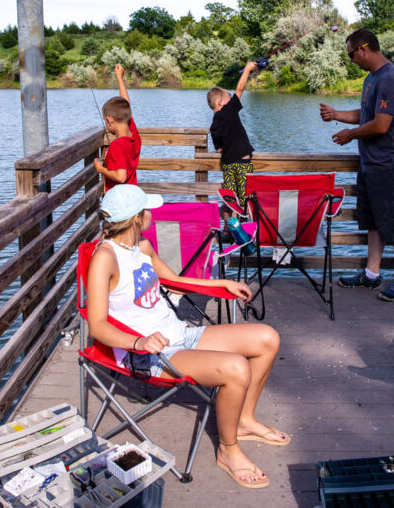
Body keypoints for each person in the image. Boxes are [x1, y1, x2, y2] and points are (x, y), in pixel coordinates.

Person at [86, 184, 289, 490]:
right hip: (149, 354)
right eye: (147, 210)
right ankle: (227, 450)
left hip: (180, 334)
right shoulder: (105, 258)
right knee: (237, 368)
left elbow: (174, 281)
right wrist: (138, 343)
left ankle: (244, 420)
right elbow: (97, 325)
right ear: (136, 218)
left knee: (267, 338)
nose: (151, 214)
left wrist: (221, 283)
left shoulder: (141, 247)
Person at [318, 28, 394, 301]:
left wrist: (350, 135)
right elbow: (366, 114)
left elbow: (381, 125)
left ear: (363, 48)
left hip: (391, 165)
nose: (351, 60)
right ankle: (372, 275)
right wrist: (337, 115)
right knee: (373, 223)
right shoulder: (372, 79)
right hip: (371, 165)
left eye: (351, 55)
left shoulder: (392, 79)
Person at [208, 60, 259, 204]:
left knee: (231, 201)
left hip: (227, 165)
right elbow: (240, 90)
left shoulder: (213, 126)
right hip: (243, 162)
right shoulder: (229, 109)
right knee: (247, 199)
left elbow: (219, 150)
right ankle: (245, 224)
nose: (231, 101)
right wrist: (247, 70)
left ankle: (230, 225)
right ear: (220, 101)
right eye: (229, 99)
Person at [94, 63, 141, 192]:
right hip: (132, 194)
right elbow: (125, 106)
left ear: (109, 120)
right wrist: (119, 78)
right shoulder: (134, 137)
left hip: (120, 199)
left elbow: (121, 177)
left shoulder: (117, 145)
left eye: (105, 120)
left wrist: (101, 169)